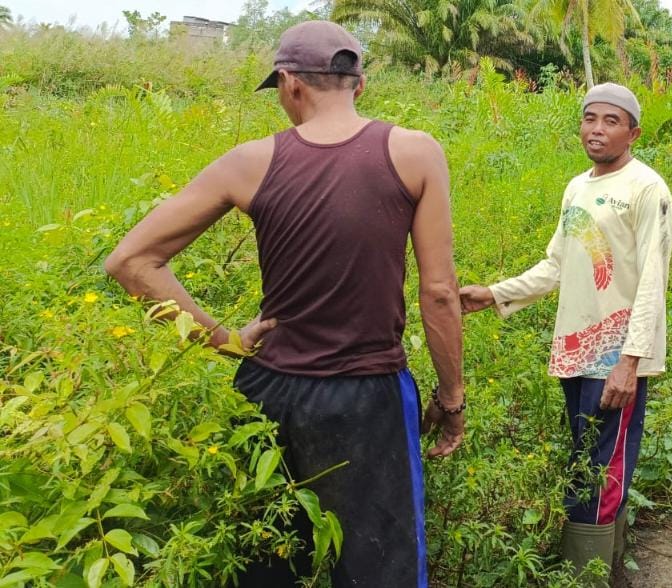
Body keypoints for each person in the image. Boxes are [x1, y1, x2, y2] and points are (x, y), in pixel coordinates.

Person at [104, 21, 464, 588]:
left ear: (290, 83)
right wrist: (451, 396)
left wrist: (222, 339)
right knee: (380, 567)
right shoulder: (415, 153)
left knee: (264, 560)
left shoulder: (249, 162)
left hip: (269, 393)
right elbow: (439, 292)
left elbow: (130, 262)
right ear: (359, 83)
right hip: (368, 396)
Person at [458, 82, 672, 585]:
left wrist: (630, 361)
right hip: (575, 350)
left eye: (611, 121)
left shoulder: (647, 189)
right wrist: (494, 294)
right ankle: (599, 566)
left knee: (603, 465)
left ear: (634, 133)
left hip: (617, 355)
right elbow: (556, 264)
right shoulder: (577, 187)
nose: (597, 129)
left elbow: (652, 280)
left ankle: (586, 577)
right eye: (589, 118)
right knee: (586, 459)